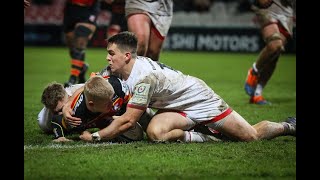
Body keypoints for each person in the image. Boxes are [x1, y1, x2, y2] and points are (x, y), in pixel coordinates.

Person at [63, 31, 296, 143]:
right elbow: (88, 84)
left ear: (126, 56)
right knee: (155, 134)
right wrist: (66, 103)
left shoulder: (145, 78)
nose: (107, 58)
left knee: (251, 137)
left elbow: (128, 121)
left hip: (199, 99)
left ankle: (288, 126)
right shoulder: (118, 70)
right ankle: (203, 135)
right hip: (174, 107)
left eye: (111, 53)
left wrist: (95, 137)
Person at [244, 0, 296, 104]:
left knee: (276, 53)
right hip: (268, 8)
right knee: (274, 45)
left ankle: (257, 94)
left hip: (287, 12)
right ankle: (254, 71)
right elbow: (263, 3)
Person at [63, 0, 100, 87]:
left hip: (88, 9)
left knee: (80, 43)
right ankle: (81, 68)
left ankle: (73, 78)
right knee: (72, 47)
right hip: (71, 9)